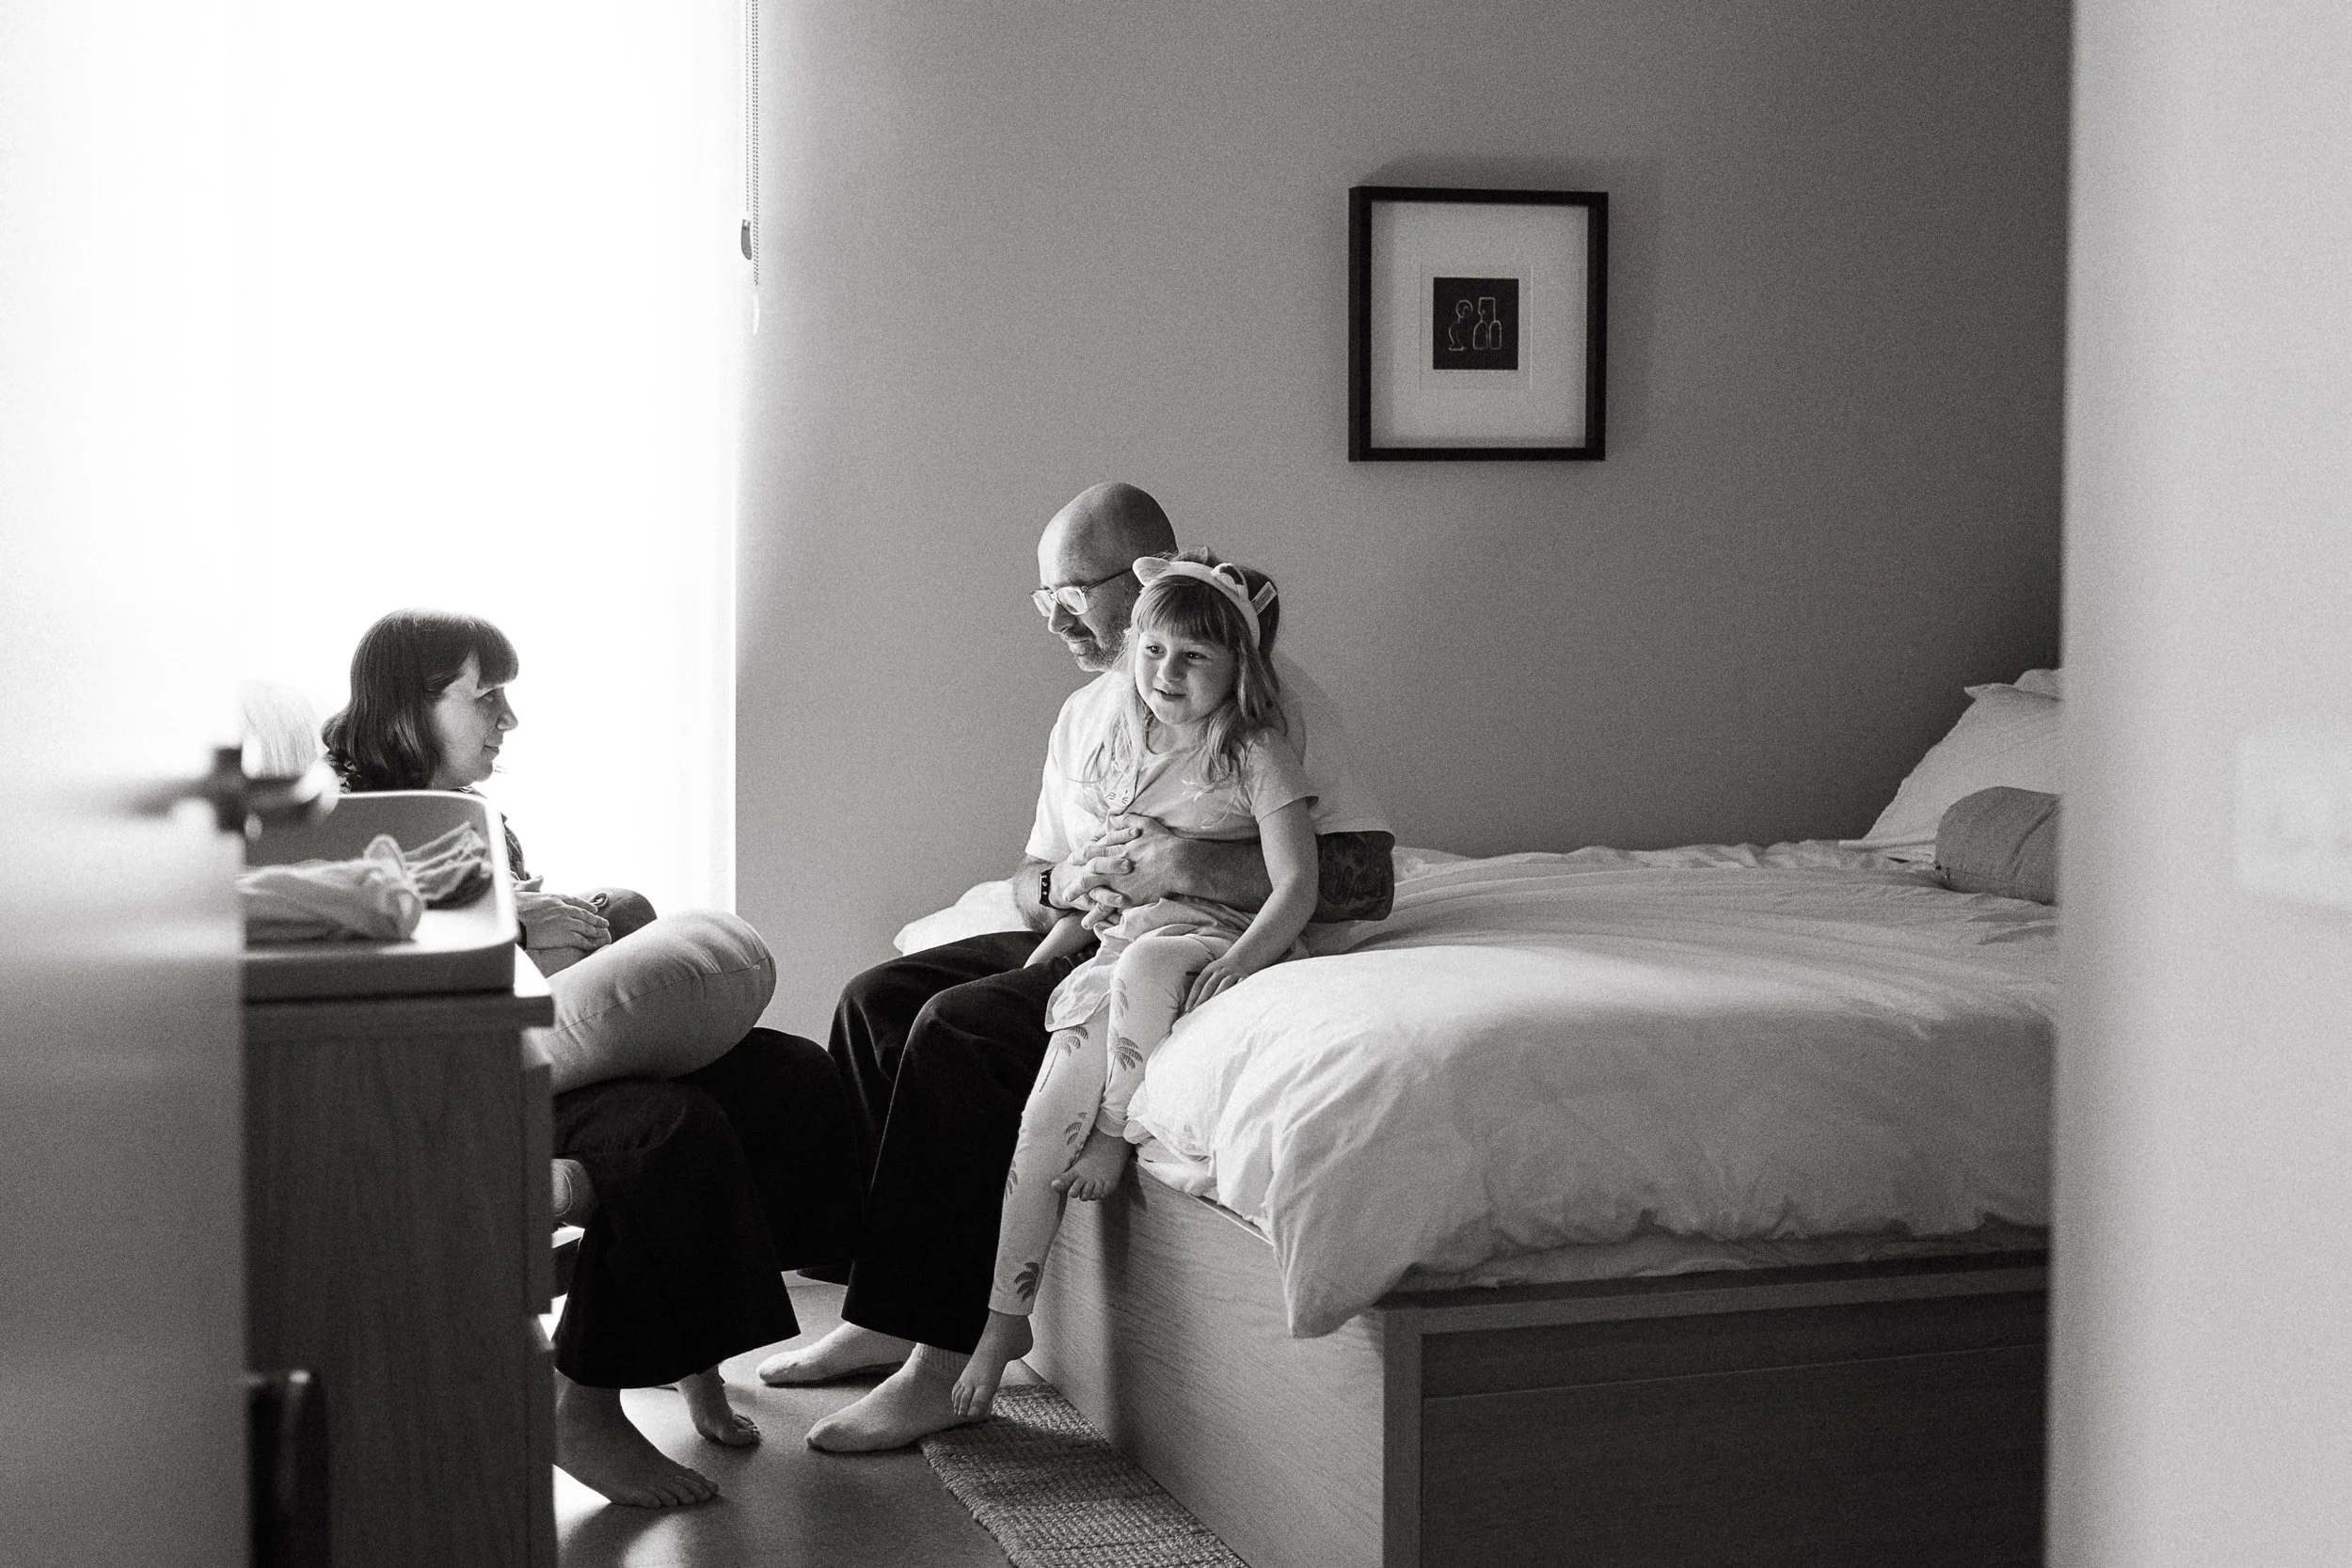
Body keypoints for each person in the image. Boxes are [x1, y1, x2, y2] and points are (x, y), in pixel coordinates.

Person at [765, 482, 1393, 1452]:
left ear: (1146, 577)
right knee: (875, 1000)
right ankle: (882, 1303)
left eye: (1075, 590)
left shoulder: (1266, 699)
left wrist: (1186, 862)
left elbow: (1364, 876)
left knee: (961, 1030)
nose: (1056, 615)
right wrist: (1064, 883)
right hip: (1095, 918)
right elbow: (1032, 870)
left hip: (1185, 935)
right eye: (1044, 595)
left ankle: (939, 1358)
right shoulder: (1089, 712)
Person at [324, 609, 860, 1508]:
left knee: (790, 1077)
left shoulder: (479, 815)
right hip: (460, 1076)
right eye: (485, 696)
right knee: (670, 1130)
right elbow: (357, 937)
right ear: (406, 706)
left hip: (550, 1048)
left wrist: (575, 919)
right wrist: (504, 912)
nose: (508, 720)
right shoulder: (344, 812)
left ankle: (695, 1346)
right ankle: (586, 1400)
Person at [949, 549, 1320, 1415]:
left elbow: (1297, 882)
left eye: (1193, 658)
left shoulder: (1256, 752)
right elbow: (1095, 881)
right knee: (1045, 1111)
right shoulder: (1127, 739)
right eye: (1153, 651)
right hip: (1129, 936)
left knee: (1149, 966)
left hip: (1208, 935)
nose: (1166, 674)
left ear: (1240, 667)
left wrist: (1243, 960)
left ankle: (1118, 1130)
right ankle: (1006, 1316)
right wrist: (1052, 946)